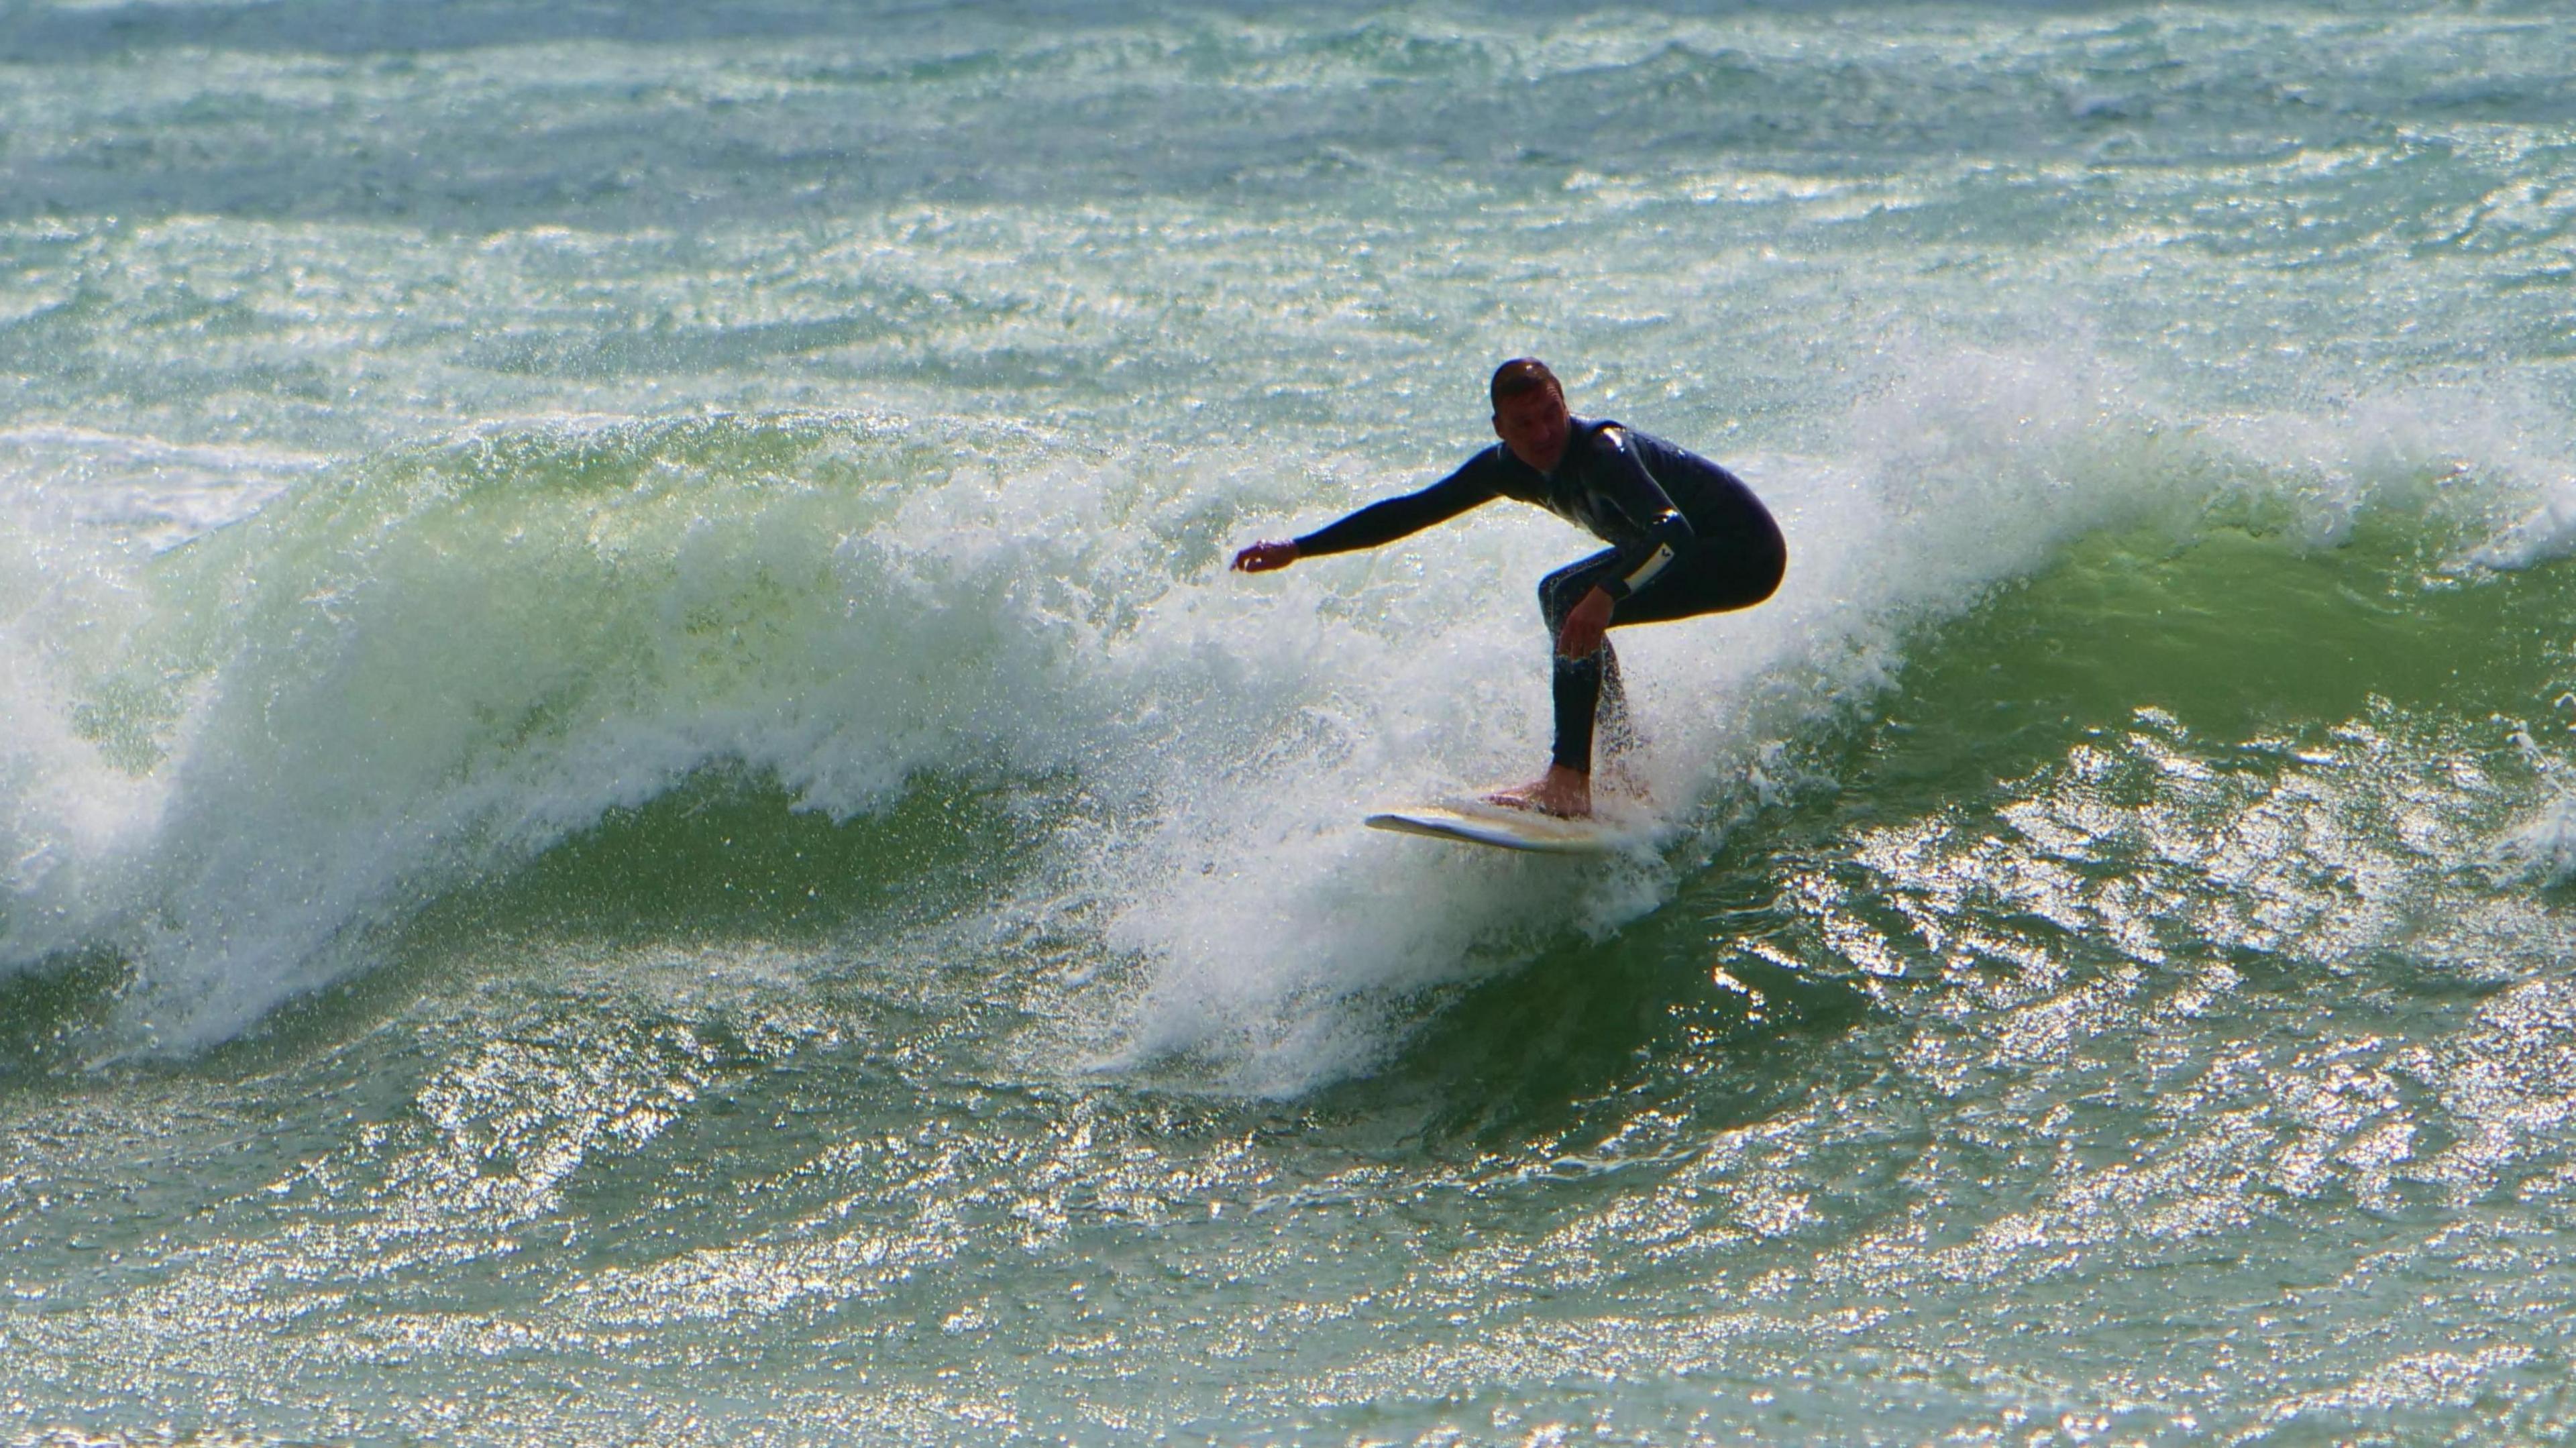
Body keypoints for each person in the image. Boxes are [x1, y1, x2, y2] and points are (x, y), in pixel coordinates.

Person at [1232, 358, 1785, 818]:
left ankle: (1569, 780)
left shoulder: (1602, 452)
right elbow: (1410, 512)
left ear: (1566, 404)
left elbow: (1672, 530)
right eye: (1524, 425)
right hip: (1685, 550)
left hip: (1743, 554)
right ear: (1499, 429)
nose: (1544, 434)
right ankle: (1623, 760)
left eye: (1552, 414)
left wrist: (1607, 594)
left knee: (1574, 597)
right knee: (1561, 595)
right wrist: (1300, 548)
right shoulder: (1507, 469)